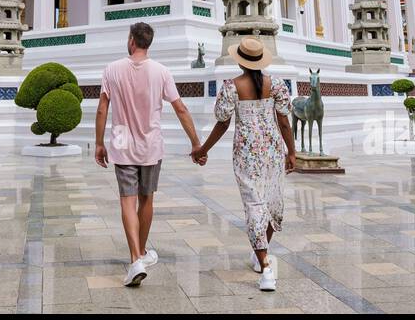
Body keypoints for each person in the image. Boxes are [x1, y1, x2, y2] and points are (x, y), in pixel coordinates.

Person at [95, 21, 202, 287]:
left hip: (121, 143)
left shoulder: (112, 69)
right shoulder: (162, 72)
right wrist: (196, 143)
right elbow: (180, 109)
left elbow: (101, 109)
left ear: (132, 40)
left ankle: (136, 258)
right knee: (147, 200)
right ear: (148, 43)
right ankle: (138, 255)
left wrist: (99, 143)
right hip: (151, 145)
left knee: (127, 201)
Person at [192, 36, 296, 292]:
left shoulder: (231, 87)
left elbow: (223, 123)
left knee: (255, 206)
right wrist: (291, 151)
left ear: (240, 62)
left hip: (246, 154)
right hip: (271, 150)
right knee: (271, 203)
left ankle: (266, 267)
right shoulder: (277, 85)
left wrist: (202, 149)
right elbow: (284, 122)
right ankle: (262, 256)